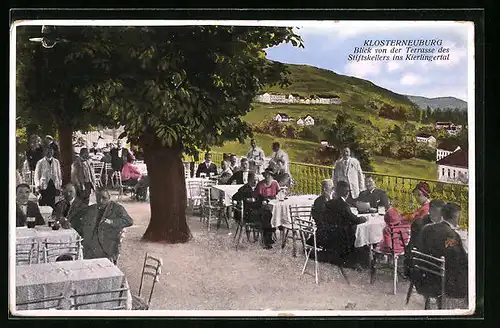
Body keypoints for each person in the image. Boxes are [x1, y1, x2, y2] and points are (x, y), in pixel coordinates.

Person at [415, 203, 468, 300]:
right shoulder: (450, 234)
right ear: (456, 217)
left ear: (442, 215)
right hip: (439, 278)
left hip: (424, 272)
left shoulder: (427, 228)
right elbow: (457, 257)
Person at [72, 188, 133, 264]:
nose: (100, 201)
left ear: (109, 198)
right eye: (98, 198)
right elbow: (75, 219)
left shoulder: (117, 208)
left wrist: (111, 222)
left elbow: (129, 221)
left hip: (107, 244)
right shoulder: (91, 208)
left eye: (104, 198)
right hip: (89, 244)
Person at [315, 180, 367, 267]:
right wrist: (363, 218)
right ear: (346, 194)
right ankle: (359, 259)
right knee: (355, 230)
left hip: (329, 233)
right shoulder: (344, 205)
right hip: (342, 235)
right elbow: (354, 219)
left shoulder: (329, 203)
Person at [232, 172, 274, 249]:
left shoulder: (258, 189)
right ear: (248, 180)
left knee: (268, 214)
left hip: (257, 212)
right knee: (265, 216)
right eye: (253, 180)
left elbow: (264, 197)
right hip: (247, 214)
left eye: (256, 180)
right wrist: (246, 199)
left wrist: (265, 201)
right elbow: (234, 197)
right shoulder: (243, 189)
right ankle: (267, 241)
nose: (255, 182)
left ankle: (267, 240)